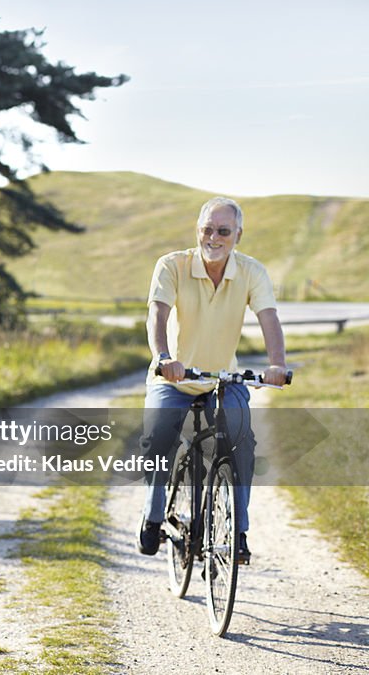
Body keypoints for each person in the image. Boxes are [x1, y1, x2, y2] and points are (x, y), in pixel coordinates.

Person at [137, 197, 287, 562]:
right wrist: (163, 358)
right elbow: (157, 314)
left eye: (223, 231)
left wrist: (277, 364)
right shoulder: (173, 265)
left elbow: (269, 318)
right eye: (207, 229)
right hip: (172, 376)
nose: (214, 237)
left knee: (242, 443)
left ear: (238, 234)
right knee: (158, 440)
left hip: (223, 376)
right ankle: (154, 514)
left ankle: (238, 532)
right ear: (198, 230)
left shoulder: (251, 271)